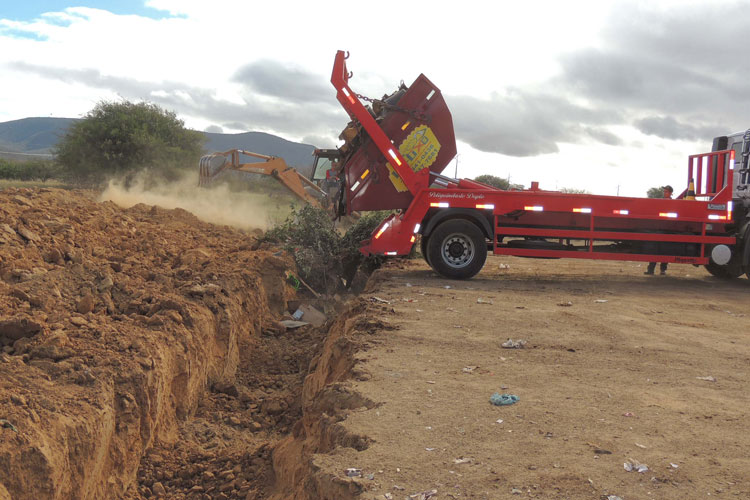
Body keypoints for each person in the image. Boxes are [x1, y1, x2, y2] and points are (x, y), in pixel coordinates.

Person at [645, 185, 673, 275]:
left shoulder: (673, 203)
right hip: (659, 228)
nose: (665, 193)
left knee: (664, 250)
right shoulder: (661, 202)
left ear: (670, 193)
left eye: (666, 191)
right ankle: (651, 270)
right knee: (655, 249)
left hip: (667, 229)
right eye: (664, 191)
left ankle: (662, 270)